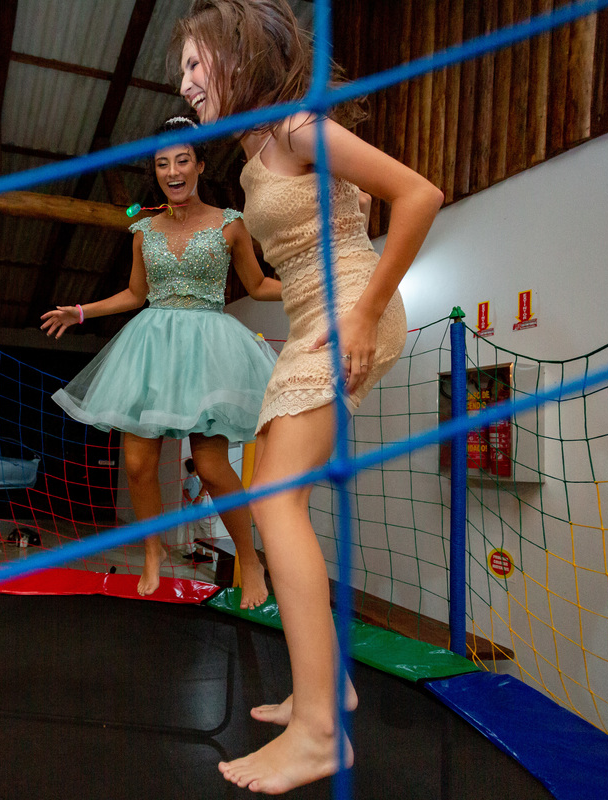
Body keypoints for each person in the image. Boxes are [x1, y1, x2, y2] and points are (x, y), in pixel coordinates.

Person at [173, 0, 444, 792]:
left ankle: (321, 734)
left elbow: (420, 195)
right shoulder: (253, 153)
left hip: (350, 310)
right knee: (274, 492)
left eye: (194, 64)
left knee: (274, 496)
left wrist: (362, 314)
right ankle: (327, 689)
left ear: (236, 56)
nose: (184, 83)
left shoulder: (296, 128)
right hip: (310, 318)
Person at [41, 115, 280, 610]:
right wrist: (80, 312)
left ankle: (249, 557)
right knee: (136, 462)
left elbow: (257, 285)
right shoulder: (143, 230)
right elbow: (135, 293)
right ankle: (153, 550)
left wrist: (312, 285)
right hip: (151, 348)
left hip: (208, 350)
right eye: (162, 164)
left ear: (200, 165)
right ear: (156, 171)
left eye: (182, 161)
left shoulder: (230, 223)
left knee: (211, 466)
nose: (173, 171)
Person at [180, 456, 213, 562]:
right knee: (191, 529)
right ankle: (191, 550)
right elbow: (185, 491)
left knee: (197, 530)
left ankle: (199, 551)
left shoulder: (196, 479)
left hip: (195, 509)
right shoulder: (191, 479)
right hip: (191, 509)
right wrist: (192, 501)